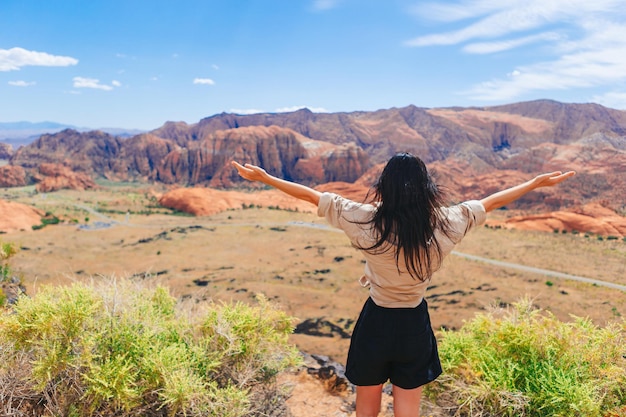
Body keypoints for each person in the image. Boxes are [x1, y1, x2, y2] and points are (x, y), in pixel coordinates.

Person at [231, 154, 575, 417]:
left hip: (376, 322)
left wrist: (265, 178)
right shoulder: (447, 223)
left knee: (366, 410)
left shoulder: (363, 219)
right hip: (414, 325)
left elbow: (313, 197)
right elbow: (492, 202)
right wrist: (533, 183)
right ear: (427, 187)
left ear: (384, 186)